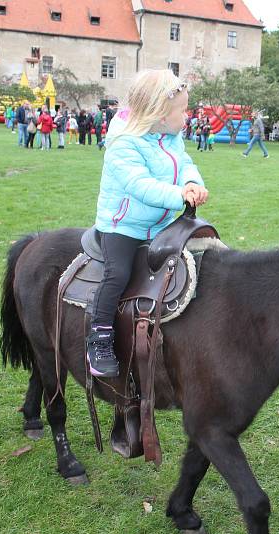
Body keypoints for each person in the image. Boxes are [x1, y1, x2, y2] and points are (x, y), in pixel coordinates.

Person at [87, 69, 209, 377]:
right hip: (123, 226)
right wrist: (179, 194)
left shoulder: (171, 136)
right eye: (183, 110)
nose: (188, 115)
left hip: (162, 224)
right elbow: (140, 186)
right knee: (118, 273)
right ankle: (99, 336)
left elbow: (184, 164)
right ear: (160, 115)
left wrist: (192, 182)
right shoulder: (124, 143)